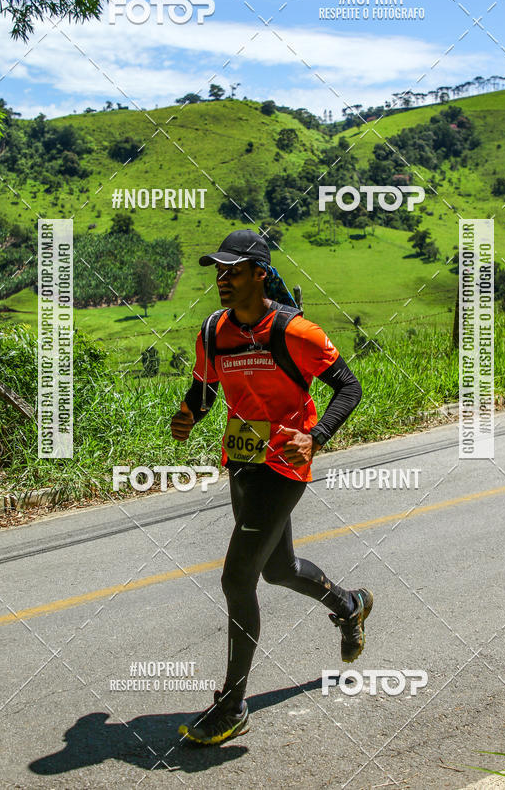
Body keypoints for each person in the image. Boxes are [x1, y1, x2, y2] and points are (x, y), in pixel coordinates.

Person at [171, 229, 372, 745]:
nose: (222, 279)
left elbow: (349, 387)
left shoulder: (294, 332)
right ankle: (349, 604)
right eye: (218, 271)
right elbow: (205, 389)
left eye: (233, 270)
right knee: (278, 568)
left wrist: (316, 437)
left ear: (260, 273)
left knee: (238, 578)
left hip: (283, 465)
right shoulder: (214, 330)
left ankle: (233, 703)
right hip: (241, 461)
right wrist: (190, 412)